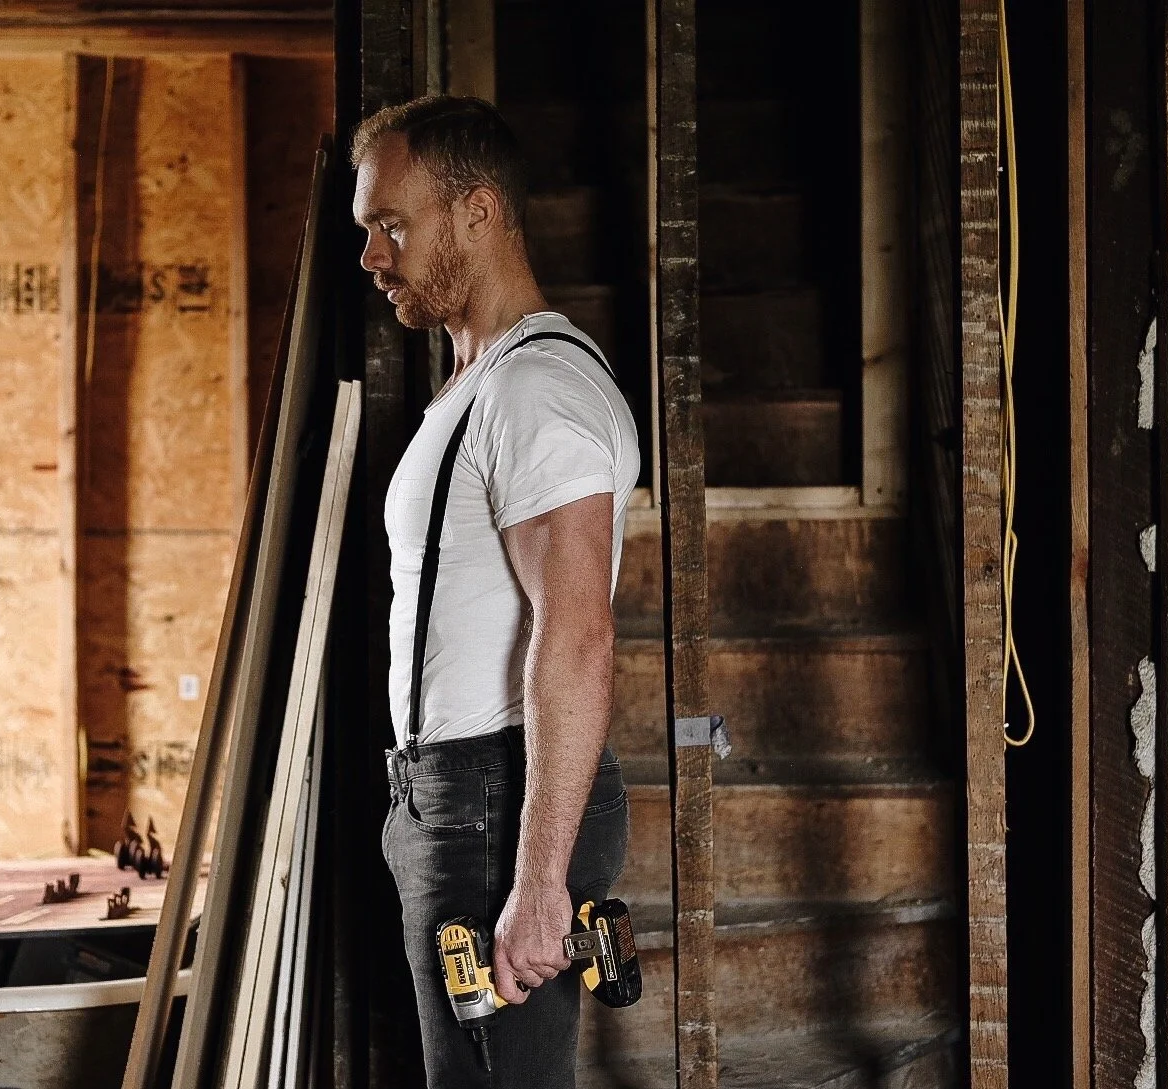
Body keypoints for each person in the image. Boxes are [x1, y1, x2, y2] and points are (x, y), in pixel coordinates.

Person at [351, 95, 640, 1088]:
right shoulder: (478, 384)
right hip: (457, 799)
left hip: (494, 801)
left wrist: (541, 883)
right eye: (368, 230)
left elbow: (577, 640)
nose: (372, 257)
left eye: (393, 225)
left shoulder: (534, 392)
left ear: (476, 214)